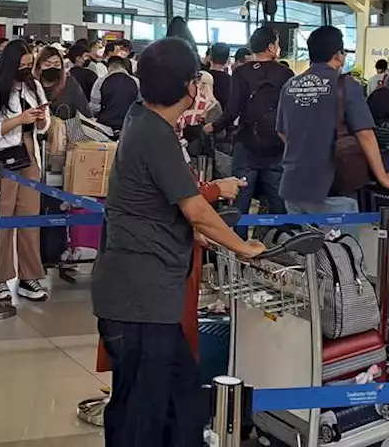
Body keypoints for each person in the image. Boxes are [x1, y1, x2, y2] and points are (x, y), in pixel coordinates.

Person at [92, 37, 264, 447]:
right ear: (190, 87)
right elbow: (195, 209)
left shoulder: (143, 119)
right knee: (141, 414)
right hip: (140, 299)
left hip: (148, 296)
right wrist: (244, 248)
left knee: (181, 399)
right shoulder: (154, 134)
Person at [277, 26, 389, 216]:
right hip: (332, 187)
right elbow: (365, 134)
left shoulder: (291, 85)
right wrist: (383, 178)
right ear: (339, 55)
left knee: (302, 244)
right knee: (342, 246)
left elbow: (281, 131)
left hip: (293, 184)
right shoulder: (345, 85)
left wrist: (305, 154)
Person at [0, 40, 49, 301]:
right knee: (1, 221)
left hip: (29, 158)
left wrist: (40, 120)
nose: (27, 70)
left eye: (30, 65)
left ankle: (29, 276)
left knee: (29, 220)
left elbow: (44, 126)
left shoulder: (34, 86)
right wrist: (18, 119)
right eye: (23, 65)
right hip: (0, 162)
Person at [209, 25, 292, 216]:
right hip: (277, 145)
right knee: (278, 200)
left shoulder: (240, 73)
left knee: (240, 198)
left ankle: (237, 243)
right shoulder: (286, 74)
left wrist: (213, 127)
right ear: (271, 47)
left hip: (246, 143)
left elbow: (232, 111)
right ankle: (281, 238)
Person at [35, 45, 89, 118]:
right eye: (47, 65)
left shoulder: (70, 83)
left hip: (66, 127)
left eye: (57, 64)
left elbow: (85, 110)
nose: (52, 67)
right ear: (39, 67)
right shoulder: (32, 85)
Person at [90, 55, 140, 133]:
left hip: (106, 126)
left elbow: (94, 107)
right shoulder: (136, 82)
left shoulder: (100, 81)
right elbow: (141, 103)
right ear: (123, 66)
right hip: (130, 125)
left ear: (108, 67)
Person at [204, 42, 232, 110]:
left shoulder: (202, 77)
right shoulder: (232, 81)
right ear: (228, 59)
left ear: (210, 57)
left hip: (202, 117)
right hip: (223, 119)